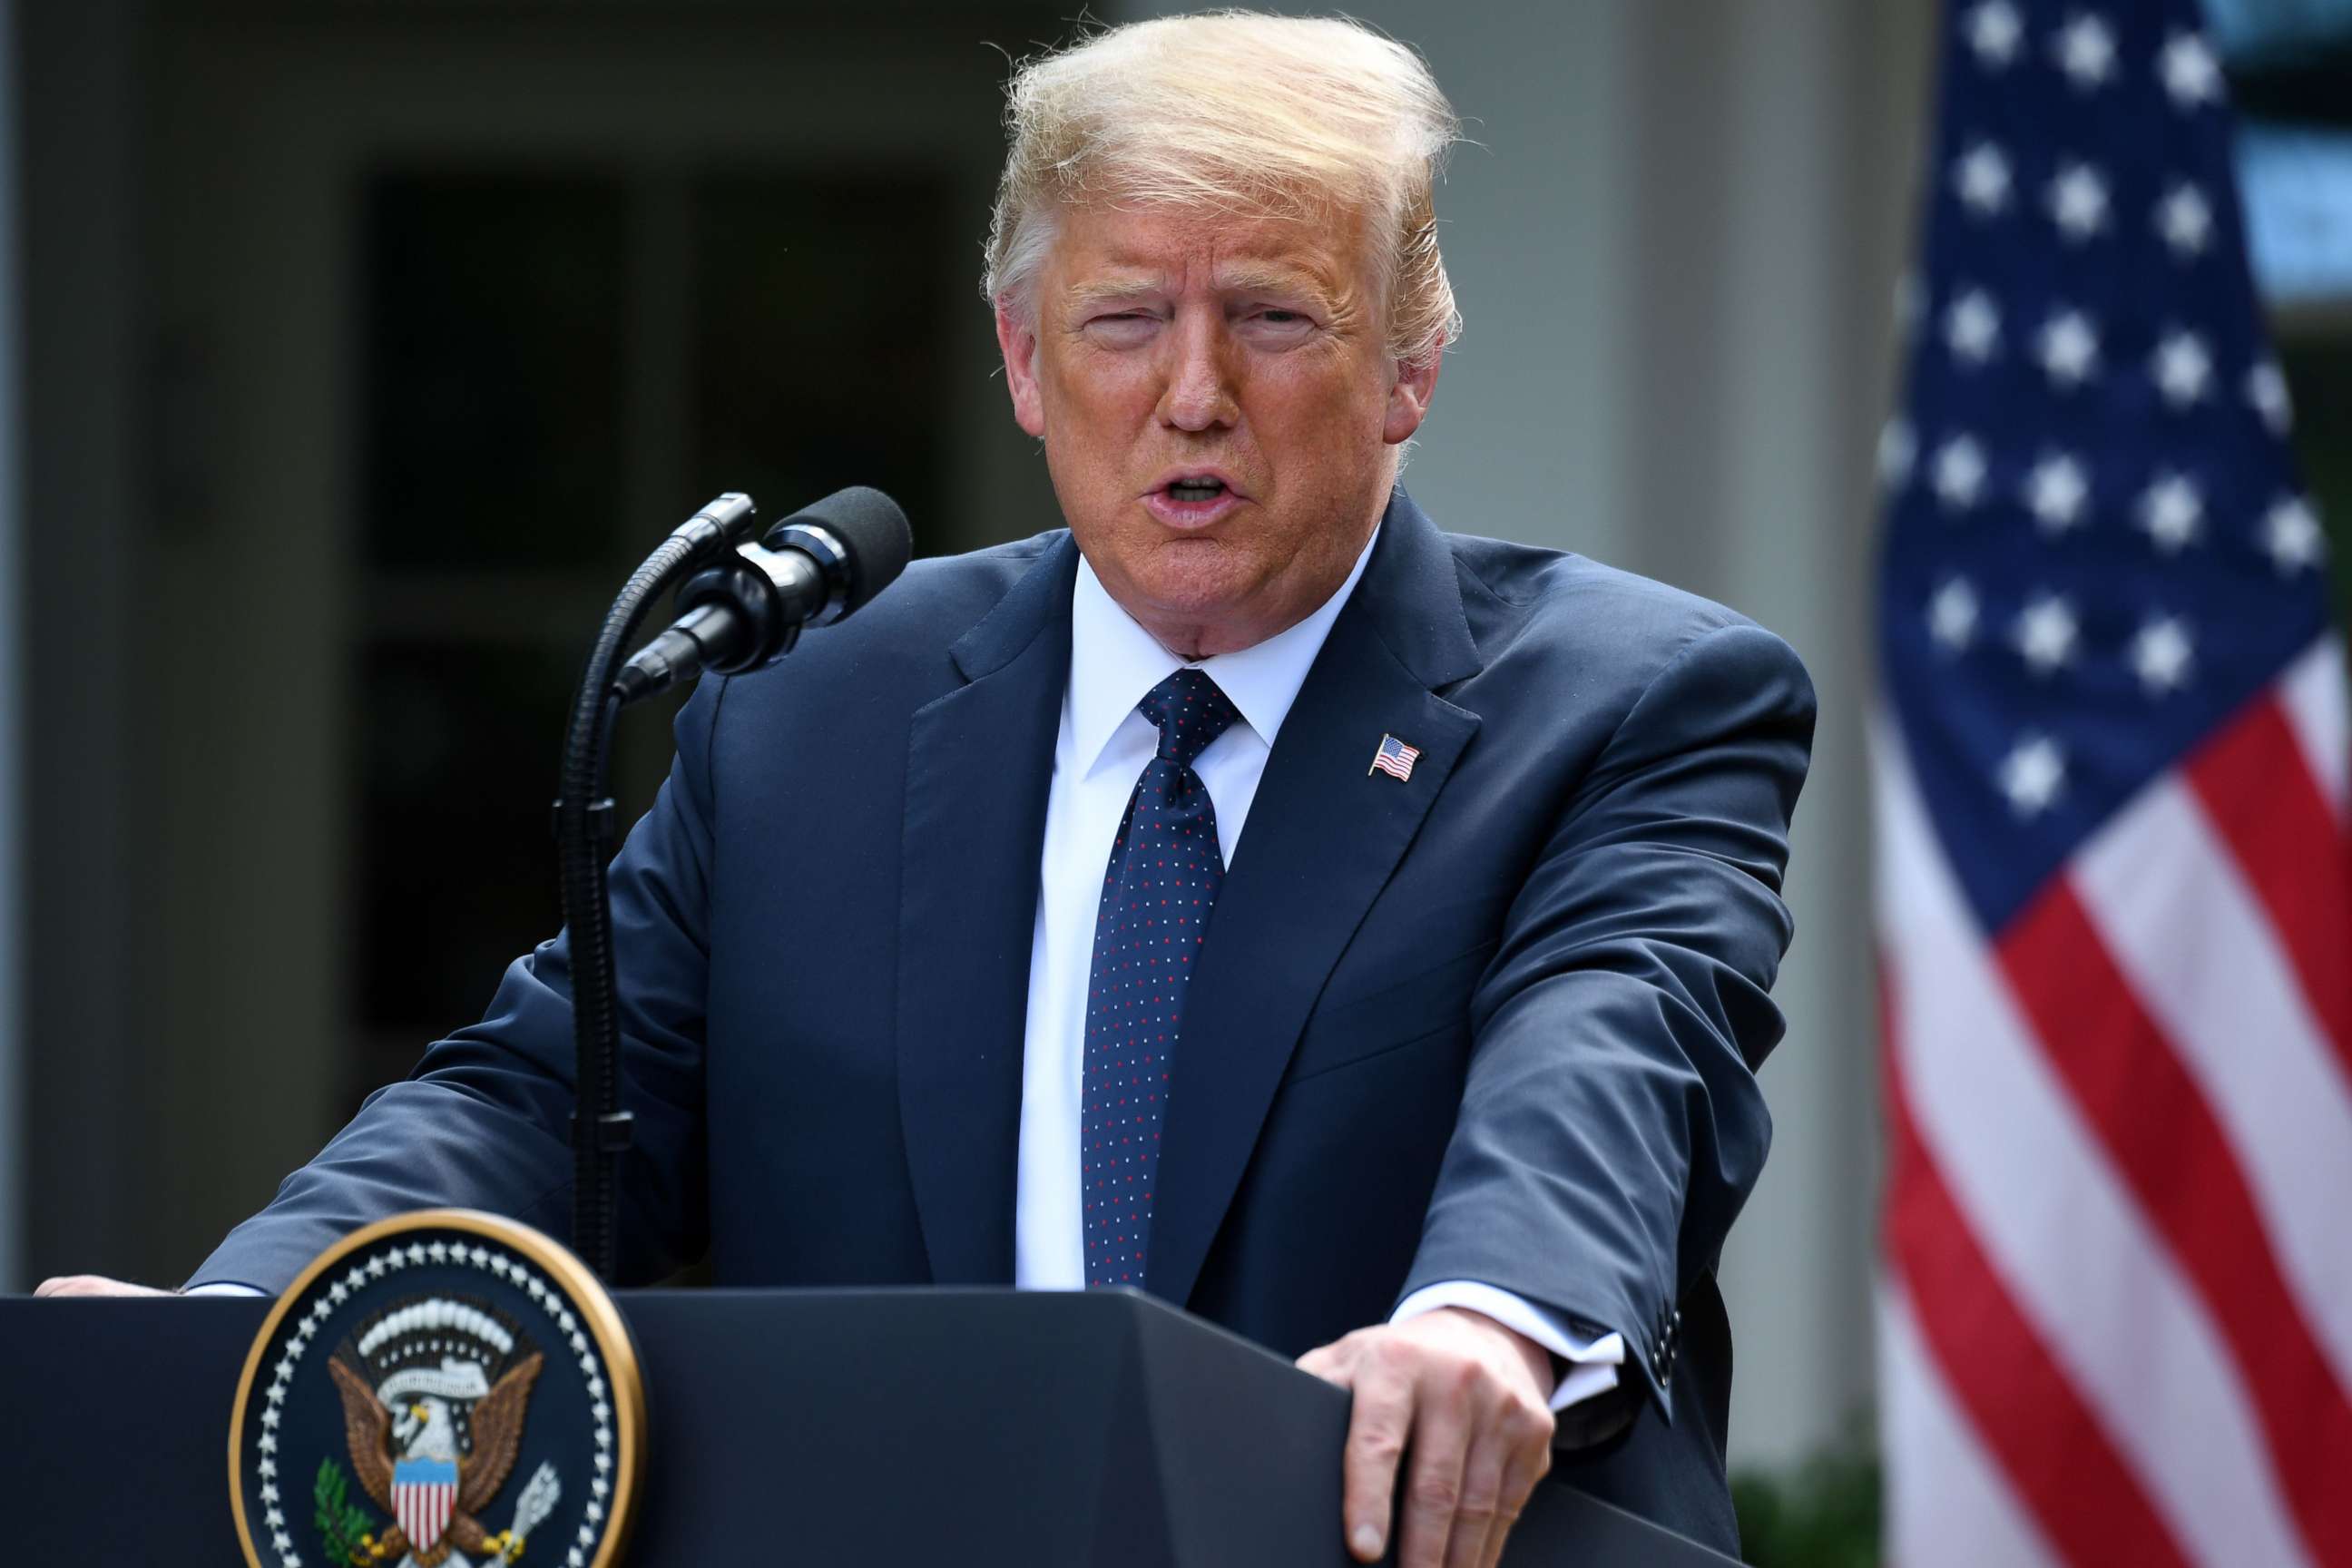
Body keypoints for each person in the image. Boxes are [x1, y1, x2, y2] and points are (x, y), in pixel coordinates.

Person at [41, 14, 1814, 1565]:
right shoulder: (812, 713)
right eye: (1126, 317)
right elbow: (544, 1099)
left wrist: (1491, 1323)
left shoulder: (1630, 702)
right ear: (1025, 360)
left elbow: (1615, 1049)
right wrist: (223, 1330)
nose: (1194, 393)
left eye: (1273, 315)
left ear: (1410, 365)